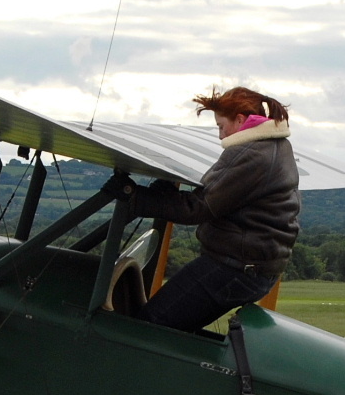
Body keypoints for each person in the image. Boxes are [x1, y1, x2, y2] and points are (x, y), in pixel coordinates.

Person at [119, 85, 300, 332]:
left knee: (150, 327)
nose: (220, 135)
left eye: (221, 126)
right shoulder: (276, 146)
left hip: (235, 269)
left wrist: (135, 197)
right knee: (172, 324)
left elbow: (198, 208)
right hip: (256, 270)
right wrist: (166, 193)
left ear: (239, 120)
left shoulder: (251, 153)